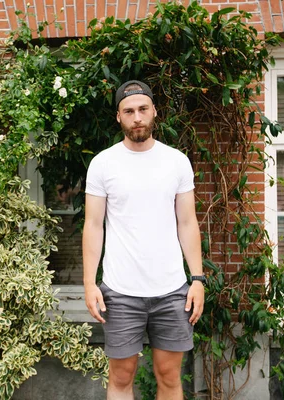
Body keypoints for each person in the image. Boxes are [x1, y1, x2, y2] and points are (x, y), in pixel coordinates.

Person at [83, 80, 205, 400]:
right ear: (119, 118)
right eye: (129, 111)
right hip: (120, 291)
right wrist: (89, 283)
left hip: (171, 290)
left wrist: (198, 279)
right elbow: (93, 225)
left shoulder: (176, 161)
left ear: (154, 112)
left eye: (142, 109)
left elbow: (187, 222)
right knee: (121, 377)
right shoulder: (103, 163)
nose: (136, 117)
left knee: (169, 375)